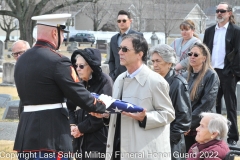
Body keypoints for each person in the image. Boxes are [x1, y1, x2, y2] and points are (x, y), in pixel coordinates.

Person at [13, 13, 109, 160]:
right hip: (51, 137)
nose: (63, 38)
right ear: (54, 32)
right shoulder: (58, 61)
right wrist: (101, 107)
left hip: (26, 137)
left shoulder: (21, 60)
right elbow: (78, 94)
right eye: (62, 33)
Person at [92, 34, 175, 160]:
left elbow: (168, 114)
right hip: (117, 149)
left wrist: (145, 117)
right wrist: (106, 116)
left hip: (144, 152)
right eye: (120, 48)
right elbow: (120, 111)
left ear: (139, 54)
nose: (119, 52)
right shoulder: (120, 79)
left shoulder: (155, 81)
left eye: (125, 49)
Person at [203, 2, 240, 147]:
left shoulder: (236, 30)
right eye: (217, 11)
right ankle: (216, 134)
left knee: (230, 106)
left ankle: (233, 136)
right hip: (212, 72)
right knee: (213, 105)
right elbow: (205, 51)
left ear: (229, 13)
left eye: (222, 11)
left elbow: (238, 53)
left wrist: (234, 73)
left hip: (228, 73)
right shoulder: (209, 31)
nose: (219, 13)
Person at [67, 48, 113, 160]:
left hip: (98, 139)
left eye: (81, 66)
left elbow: (102, 111)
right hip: (79, 140)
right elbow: (70, 106)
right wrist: (72, 124)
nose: (78, 69)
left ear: (91, 67)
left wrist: (80, 128)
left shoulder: (105, 81)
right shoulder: (78, 83)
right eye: (76, 66)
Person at [149, 44, 191, 160]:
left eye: (158, 61)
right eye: (153, 61)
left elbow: (184, 118)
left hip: (171, 144)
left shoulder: (178, 83)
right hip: (154, 139)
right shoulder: (152, 81)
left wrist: (169, 138)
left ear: (169, 62)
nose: (155, 65)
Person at [184, 42, 219, 152]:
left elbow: (206, 104)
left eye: (196, 55)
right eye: (190, 54)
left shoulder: (211, 75)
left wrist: (188, 123)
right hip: (186, 125)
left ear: (204, 58)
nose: (192, 57)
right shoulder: (185, 75)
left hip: (201, 126)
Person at [108, 10, 143, 81]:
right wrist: (112, 74)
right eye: (119, 21)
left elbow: (142, 57)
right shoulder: (113, 39)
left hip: (133, 75)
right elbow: (111, 60)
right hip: (117, 77)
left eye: (124, 20)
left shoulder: (138, 36)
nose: (121, 23)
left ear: (130, 21)